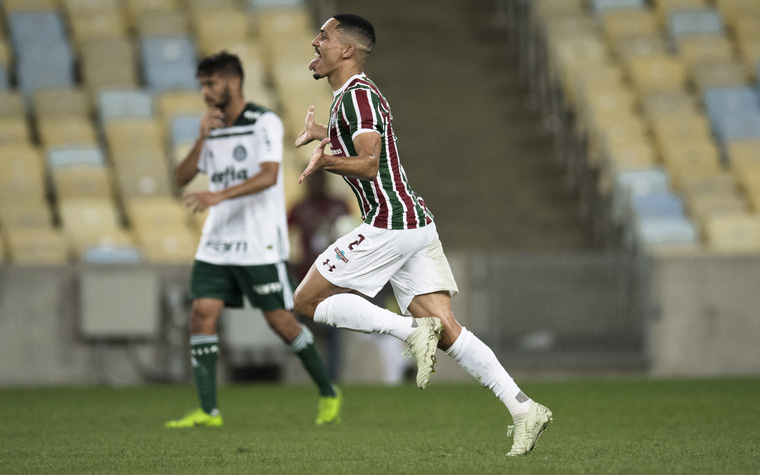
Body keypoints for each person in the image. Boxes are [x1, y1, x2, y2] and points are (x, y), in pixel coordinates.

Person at [292, 14, 553, 456]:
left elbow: (370, 162)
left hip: (390, 223)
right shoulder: (354, 98)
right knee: (448, 329)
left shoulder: (356, 97)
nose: (316, 42)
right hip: (415, 223)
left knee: (306, 301)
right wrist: (323, 134)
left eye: (325, 36)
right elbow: (370, 145)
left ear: (347, 50)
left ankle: (409, 331)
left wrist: (326, 161)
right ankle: (524, 408)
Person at [166, 51, 342, 428]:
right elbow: (180, 178)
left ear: (232, 82)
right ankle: (208, 411)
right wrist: (200, 139)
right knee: (201, 314)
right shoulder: (211, 127)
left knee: (280, 321)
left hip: (258, 241)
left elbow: (267, 175)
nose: (206, 92)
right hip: (216, 242)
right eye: (202, 85)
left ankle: (328, 390)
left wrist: (218, 195)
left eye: (210, 84)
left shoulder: (263, 122)